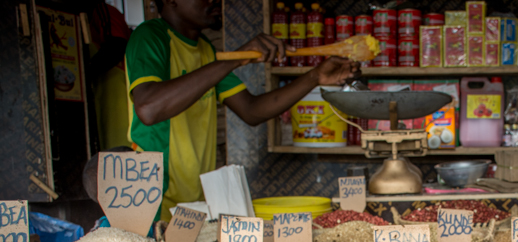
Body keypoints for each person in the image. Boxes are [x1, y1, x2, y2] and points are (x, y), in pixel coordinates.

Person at [126, 0, 358, 220]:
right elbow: (149, 108)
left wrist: (315, 77)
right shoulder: (150, 36)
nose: (216, 1)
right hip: (151, 199)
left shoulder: (205, 49)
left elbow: (251, 110)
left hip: (191, 203)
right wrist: (236, 59)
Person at [86, 0, 131, 150]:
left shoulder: (103, 11)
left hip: (117, 89)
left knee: (120, 149)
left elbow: (116, 46)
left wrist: (85, 72)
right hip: (103, 93)